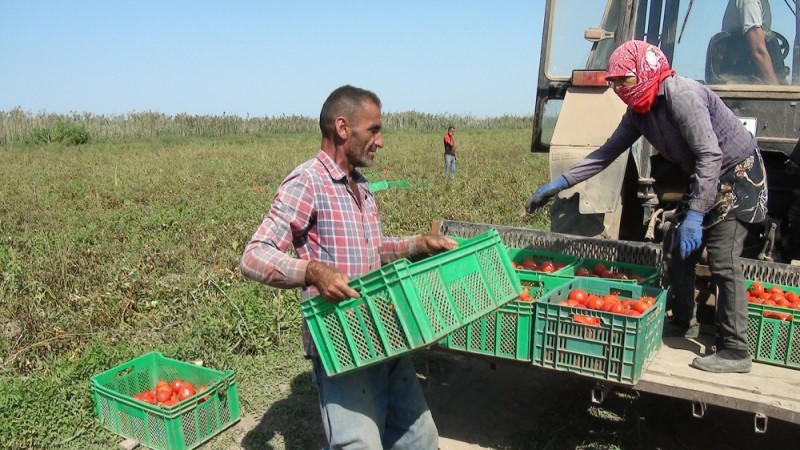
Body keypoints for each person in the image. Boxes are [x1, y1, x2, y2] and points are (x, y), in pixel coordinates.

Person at [525, 41, 768, 374]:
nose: (619, 89)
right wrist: (560, 183)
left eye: (624, 80)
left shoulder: (682, 96)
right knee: (675, 247)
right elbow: (605, 153)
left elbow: (711, 155)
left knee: (723, 260)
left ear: (646, 71)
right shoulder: (638, 113)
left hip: (737, 173)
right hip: (705, 173)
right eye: (614, 83)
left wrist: (696, 214)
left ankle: (736, 350)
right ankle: (684, 321)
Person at [240, 85, 456, 449]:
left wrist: (417, 244)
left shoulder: (360, 185)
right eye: (374, 130)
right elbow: (253, 255)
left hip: (383, 329)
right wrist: (312, 272)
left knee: (420, 438)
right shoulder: (307, 182)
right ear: (343, 128)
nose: (381, 141)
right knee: (358, 444)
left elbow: (373, 250)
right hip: (341, 340)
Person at [722, 0, 780, 84]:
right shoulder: (750, 2)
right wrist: (776, 87)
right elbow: (758, 51)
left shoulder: (763, 3)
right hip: (741, 77)